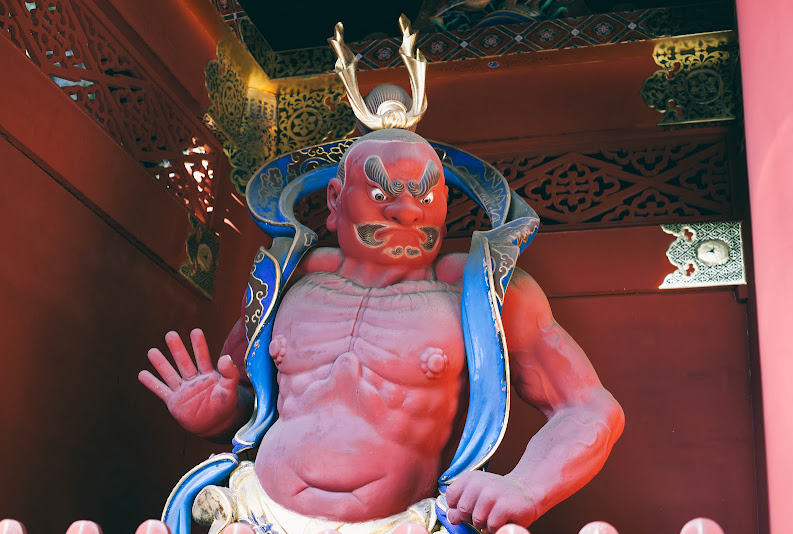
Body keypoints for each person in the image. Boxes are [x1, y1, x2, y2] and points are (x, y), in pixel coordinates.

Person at [139, 128, 624, 533]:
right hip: (255, 513)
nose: (406, 212)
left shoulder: (485, 292)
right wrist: (220, 415)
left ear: (444, 203)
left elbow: (588, 408)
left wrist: (525, 486)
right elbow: (251, 407)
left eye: (425, 197)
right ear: (335, 199)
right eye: (381, 194)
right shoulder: (286, 281)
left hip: (406, 523)